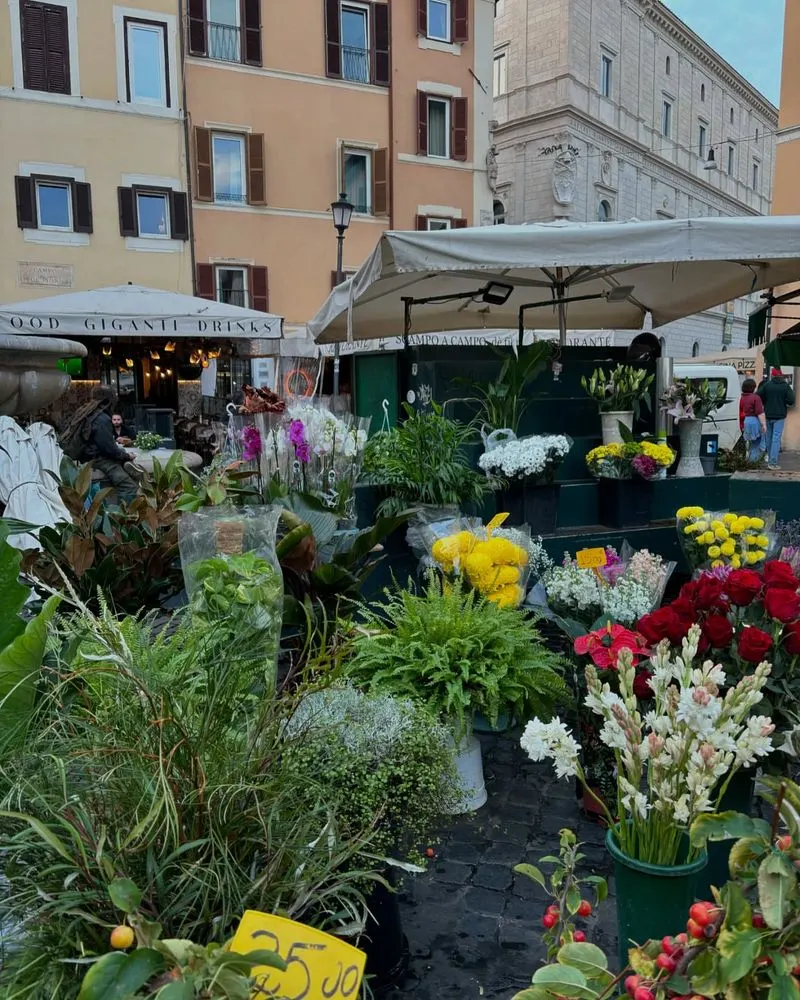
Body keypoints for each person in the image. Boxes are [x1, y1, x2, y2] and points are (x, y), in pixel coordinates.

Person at [80, 386, 140, 500]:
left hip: (88, 457)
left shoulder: (87, 413)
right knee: (129, 487)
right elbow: (109, 449)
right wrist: (127, 456)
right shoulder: (102, 419)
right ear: (108, 401)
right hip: (98, 460)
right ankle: (124, 511)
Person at [757, 367, 795, 469]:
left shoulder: (767, 385)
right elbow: (791, 400)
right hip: (780, 415)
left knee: (768, 438)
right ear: (781, 375)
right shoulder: (785, 386)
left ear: (772, 375)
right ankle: (773, 463)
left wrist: (765, 401)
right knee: (776, 439)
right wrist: (783, 401)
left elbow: (758, 395)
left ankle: (770, 460)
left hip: (768, 414)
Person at [739, 378, 767, 464]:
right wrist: (763, 424)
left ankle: (747, 460)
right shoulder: (756, 397)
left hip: (744, 421)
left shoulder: (741, 397)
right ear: (753, 388)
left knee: (748, 442)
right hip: (754, 421)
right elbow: (759, 412)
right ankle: (753, 461)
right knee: (756, 442)